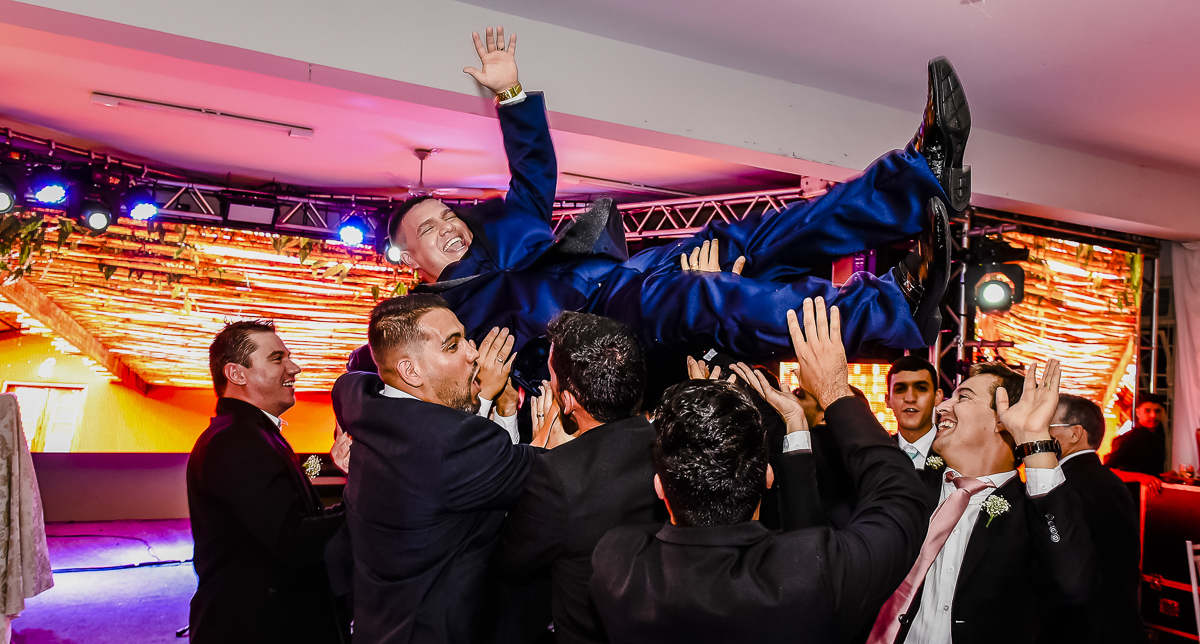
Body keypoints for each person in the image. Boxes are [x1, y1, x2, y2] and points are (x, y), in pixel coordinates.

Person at [349, 27, 973, 373]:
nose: (449, 226)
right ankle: (892, 312)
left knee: (753, 237)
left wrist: (509, 92)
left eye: (447, 214)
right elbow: (363, 376)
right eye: (429, 229)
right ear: (408, 260)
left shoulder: (505, 230)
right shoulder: (427, 322)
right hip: (596, 336)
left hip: (624, 278)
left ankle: (921, 179)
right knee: (706, 296)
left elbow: (533, 170)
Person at [590, 297, 931, 644]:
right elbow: (901, 499)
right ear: (769, 476)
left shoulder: (616, 562)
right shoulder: (812, 575)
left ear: (660, 488)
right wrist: (835, 392)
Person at [331, 295, 555, 644]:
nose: (474, 355)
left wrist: (481, 403)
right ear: (409, 369)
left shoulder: (368, 401)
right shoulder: (446, 445)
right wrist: (553, 426)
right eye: (454, 345)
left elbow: (457, 470)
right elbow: (546, 482)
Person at [857, 360, 1094, 644]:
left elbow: (1073, 583)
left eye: (962, 397)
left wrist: (1035, 441)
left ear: (1004, 421)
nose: (943, 405)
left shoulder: (1035, 510)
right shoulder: (906, 492)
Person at [495, 311, 666, 644]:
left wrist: (543, 456)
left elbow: (511, 560)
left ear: (566, 399)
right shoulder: (675, 448)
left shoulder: (560, 474)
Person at [187, 320, 349, 644]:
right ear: (236, 373)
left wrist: (338, 474)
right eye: (277, 358)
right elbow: (294, 540)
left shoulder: (254, 436)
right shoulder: (238, 441)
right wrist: (367, 493)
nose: (294, 367)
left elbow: (296, 486)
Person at [1038, 394, 1179, 644]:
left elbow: (1065, 569)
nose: (1041, 433)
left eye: (1050, 426)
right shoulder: (1104, 481)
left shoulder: (1071, 485)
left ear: (1073, 434)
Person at [886, 354, 943, 468]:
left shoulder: (956, 450)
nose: (910, 398)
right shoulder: (877, 454)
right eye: (900, 389)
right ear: (888, 400)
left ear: (937, 397)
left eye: (921, 388)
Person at [1107, 395, 1169, 478]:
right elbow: (1108, 470)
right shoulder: (1129, 439)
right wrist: (1141, 477)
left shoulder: (1160, 439)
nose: (1153, 415)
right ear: (1138, 412)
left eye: (1158, 411)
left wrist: (1163, 476)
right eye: (1147, 411)